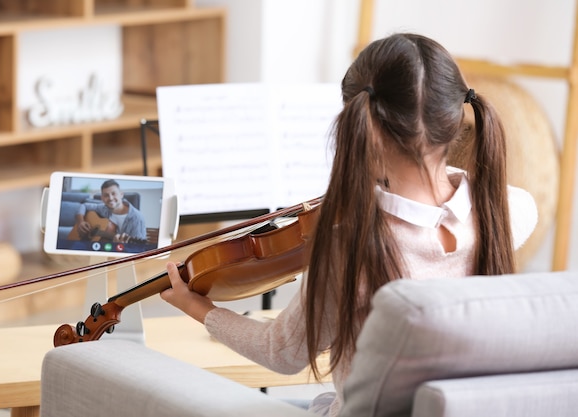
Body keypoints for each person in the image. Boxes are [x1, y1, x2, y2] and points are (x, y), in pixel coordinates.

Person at [160, 33, 538, 416]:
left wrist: (198, 308)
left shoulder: (349, 247)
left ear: (366, 129)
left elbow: (283, 352)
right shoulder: (506, 209)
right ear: (454, 117)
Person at [74, 179, 147, 243]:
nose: (111, 198)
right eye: (106, 195)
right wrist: (81, 222)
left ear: (121, 195)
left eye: (113, 193)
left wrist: (120, 246)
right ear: (102, 198)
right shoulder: (103, 208)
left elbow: (138, 250)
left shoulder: (137, 218)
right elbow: (83, 206)